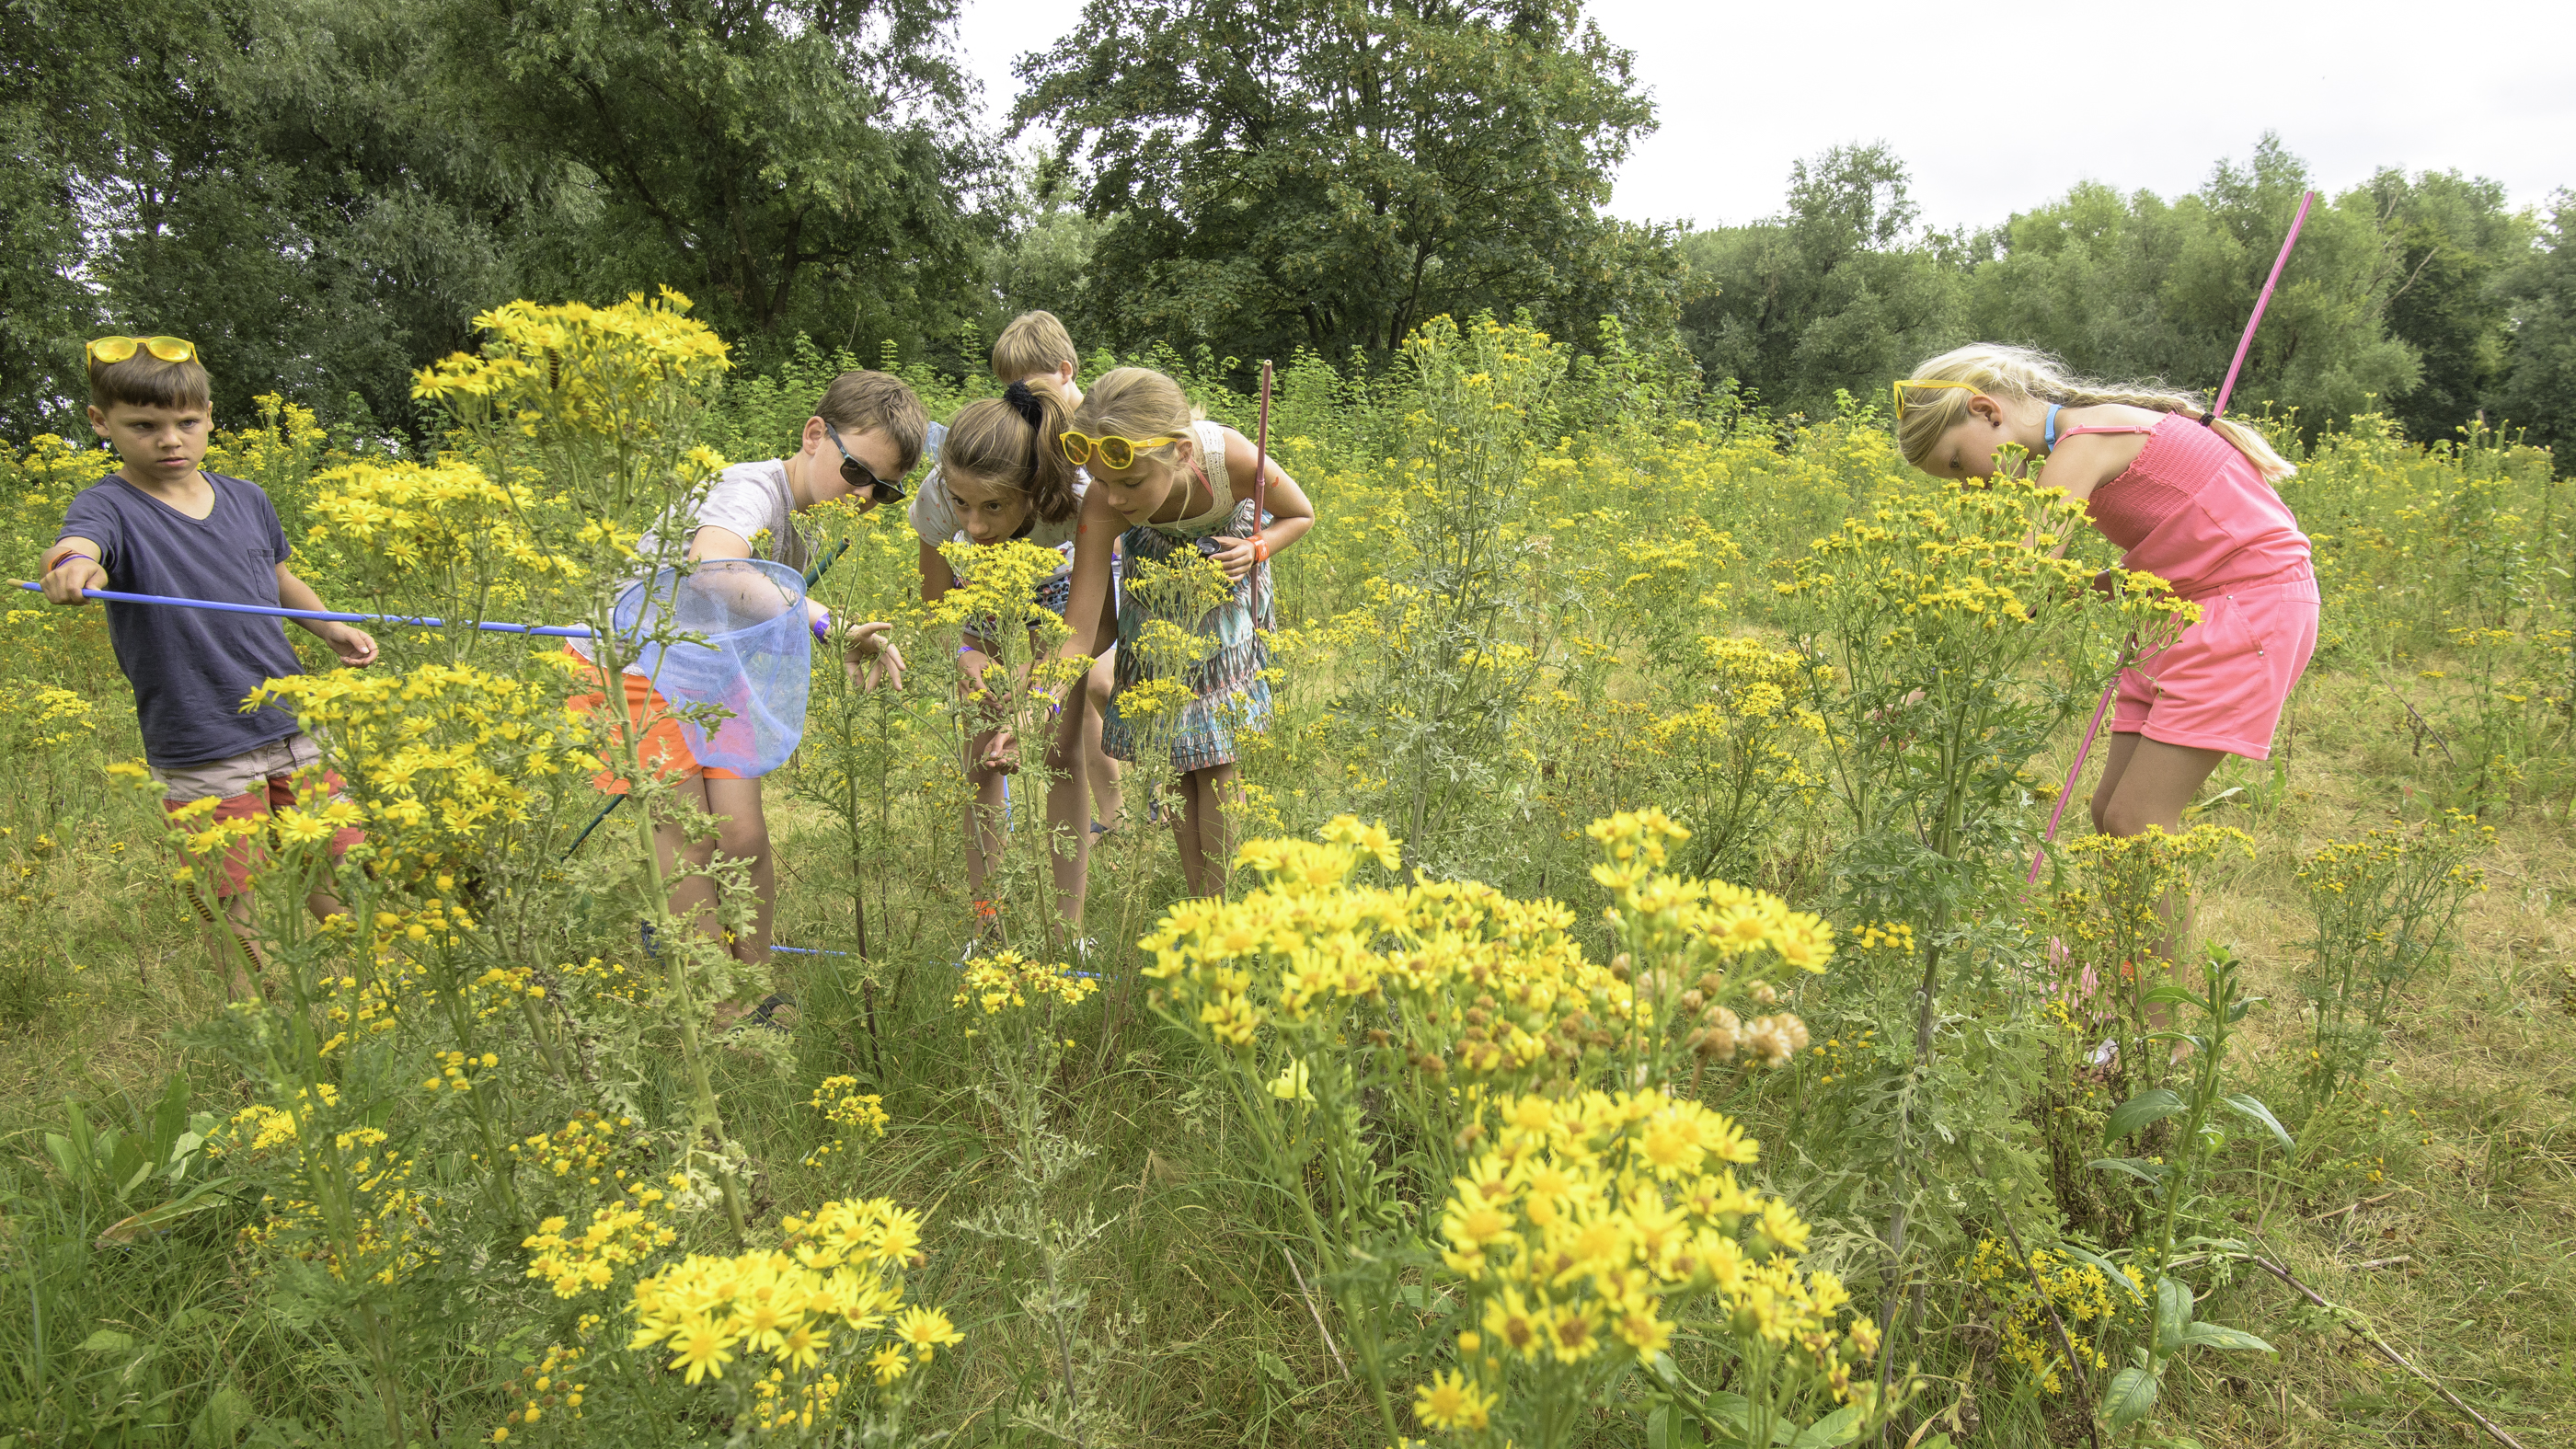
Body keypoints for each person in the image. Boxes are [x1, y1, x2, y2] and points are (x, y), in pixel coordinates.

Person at [40, 336, 379, 998]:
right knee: (236, 896)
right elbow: (80, 545)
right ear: (99, 422)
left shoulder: (248, 496)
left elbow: (279, 576)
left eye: (186, 423)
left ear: (210, 417)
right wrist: (71, 566)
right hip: (202, 738)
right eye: (144, 426)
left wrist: (331, 626)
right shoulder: (108, 504)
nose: (170, 440)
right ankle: (261, 1018)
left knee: (334, 861)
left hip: (292, 720)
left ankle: (376, 985)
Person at [1892, 343, 2319, 843]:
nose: (1972, 489)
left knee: (2137, 822)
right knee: (2110, 815)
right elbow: (2189, 543)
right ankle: (2131, 926)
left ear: (1987, 412)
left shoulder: (2084, 444)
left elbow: (2019, 588)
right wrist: (2086, 588)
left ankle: (2161, 927)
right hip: (2181, 610)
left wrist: (1927, 686)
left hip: (2246, 611)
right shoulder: (2085, 437)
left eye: (1959, 465)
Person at [571, 370, 922, 972]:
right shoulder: (749, 490)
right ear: (815, 435)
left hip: (703, 671)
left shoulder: (800, 530)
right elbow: (713, 564)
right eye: (858, 473)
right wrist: (822, 620)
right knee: (686, 839)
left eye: (884, 491)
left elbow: (750, 607)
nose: (865, 497)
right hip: (629, 665)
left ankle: (754, 980)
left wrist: (816, 635)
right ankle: (720, 1010)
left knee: (741, 838)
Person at [1019, 367, 1316, 900]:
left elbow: (1300, 514)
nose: (1111, 499)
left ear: (1180, 452)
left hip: (1225, 601)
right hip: (1155, 609)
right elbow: (1084, 626)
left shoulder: (1236, 462)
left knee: (1217, 756)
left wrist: (1258, 548)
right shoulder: (1105, 503)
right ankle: (1200, 902)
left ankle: (1220, 906)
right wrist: (1041, 697)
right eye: (1101, 482)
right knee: (1178, 757)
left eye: (1129, 484)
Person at [913, 382, 1098, 929]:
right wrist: (962, 656)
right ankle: (985, 922)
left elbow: (1085, 624)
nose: (973, 525)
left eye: (993, 506)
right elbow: (936, 600)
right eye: (963, 503)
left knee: (1061, 756)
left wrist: (1038, 688)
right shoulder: (936, 494)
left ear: (1035, 490)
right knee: (982, 763)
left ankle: (1070, 928)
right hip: (981, 607)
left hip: (1058, 614)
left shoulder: (1076, 499)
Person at [985, 311, 1122, 833]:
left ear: (1066, 371)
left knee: (1103, 685)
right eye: (1008, 390)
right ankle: (1111, 817)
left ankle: (1159, 774)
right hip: (1055, 575)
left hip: (1113, 565)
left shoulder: (1095, 431)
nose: (1019, 400)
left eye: (1029, 385)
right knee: (1074, 689)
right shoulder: (1027, 435)